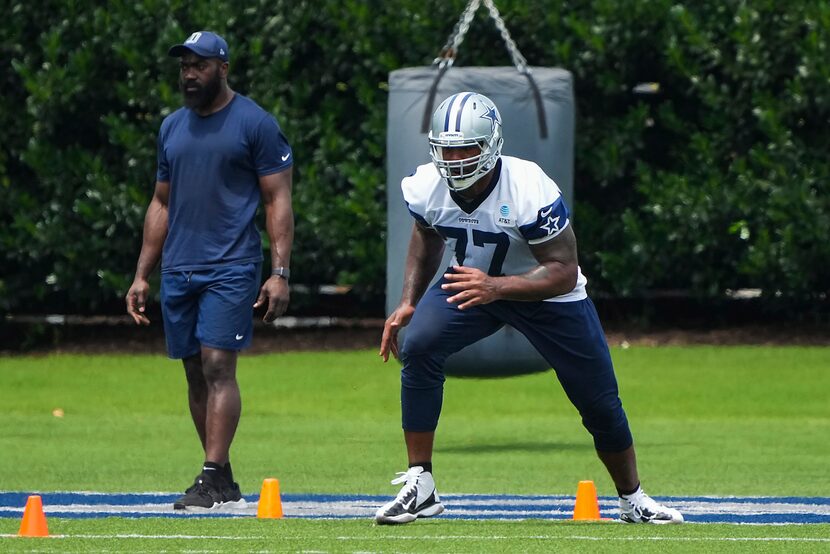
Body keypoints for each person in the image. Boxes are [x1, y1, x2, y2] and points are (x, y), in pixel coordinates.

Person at [375, 91, 683, 525]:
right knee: (420, 344)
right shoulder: (427, 183)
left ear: (491, 145)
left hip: (546, 296)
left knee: (598, 402)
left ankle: (633, 498)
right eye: (446, 149)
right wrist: (409, 301)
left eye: (466, 148)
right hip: (473, 283)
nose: (455, 159)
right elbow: (426, 234)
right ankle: (420, 483)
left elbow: (562, 268)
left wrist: (497, 287)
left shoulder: (527, 187)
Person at [125, 31, 294, 511]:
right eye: (184, 66)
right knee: (195, 372)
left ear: (223, 67)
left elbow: (277, 199)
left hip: (232, 264)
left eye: (199, 65)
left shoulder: (255, 123)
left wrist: (279, 271)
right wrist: (142, 274)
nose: (189, 74)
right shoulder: (171, 127)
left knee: (219, 365)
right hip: (180, 267)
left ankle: (212, 474)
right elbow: (160, 203)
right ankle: (220, 476)